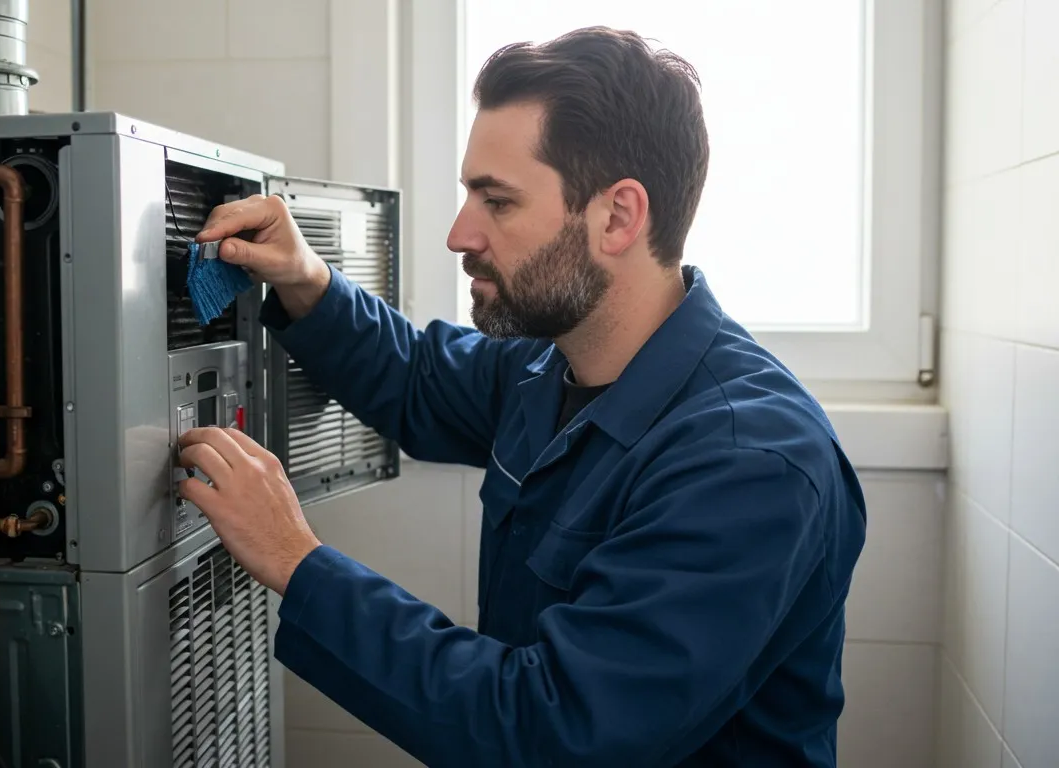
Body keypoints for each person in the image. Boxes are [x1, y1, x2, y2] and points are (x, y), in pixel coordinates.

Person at [176, 25, 867, 767]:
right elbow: (416, 379)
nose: (458, 234)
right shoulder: (550, 364)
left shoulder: (746, 462)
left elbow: (556, 732)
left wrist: (295, 558)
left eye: (496, 202)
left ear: (618, 217)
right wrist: (305, 278)